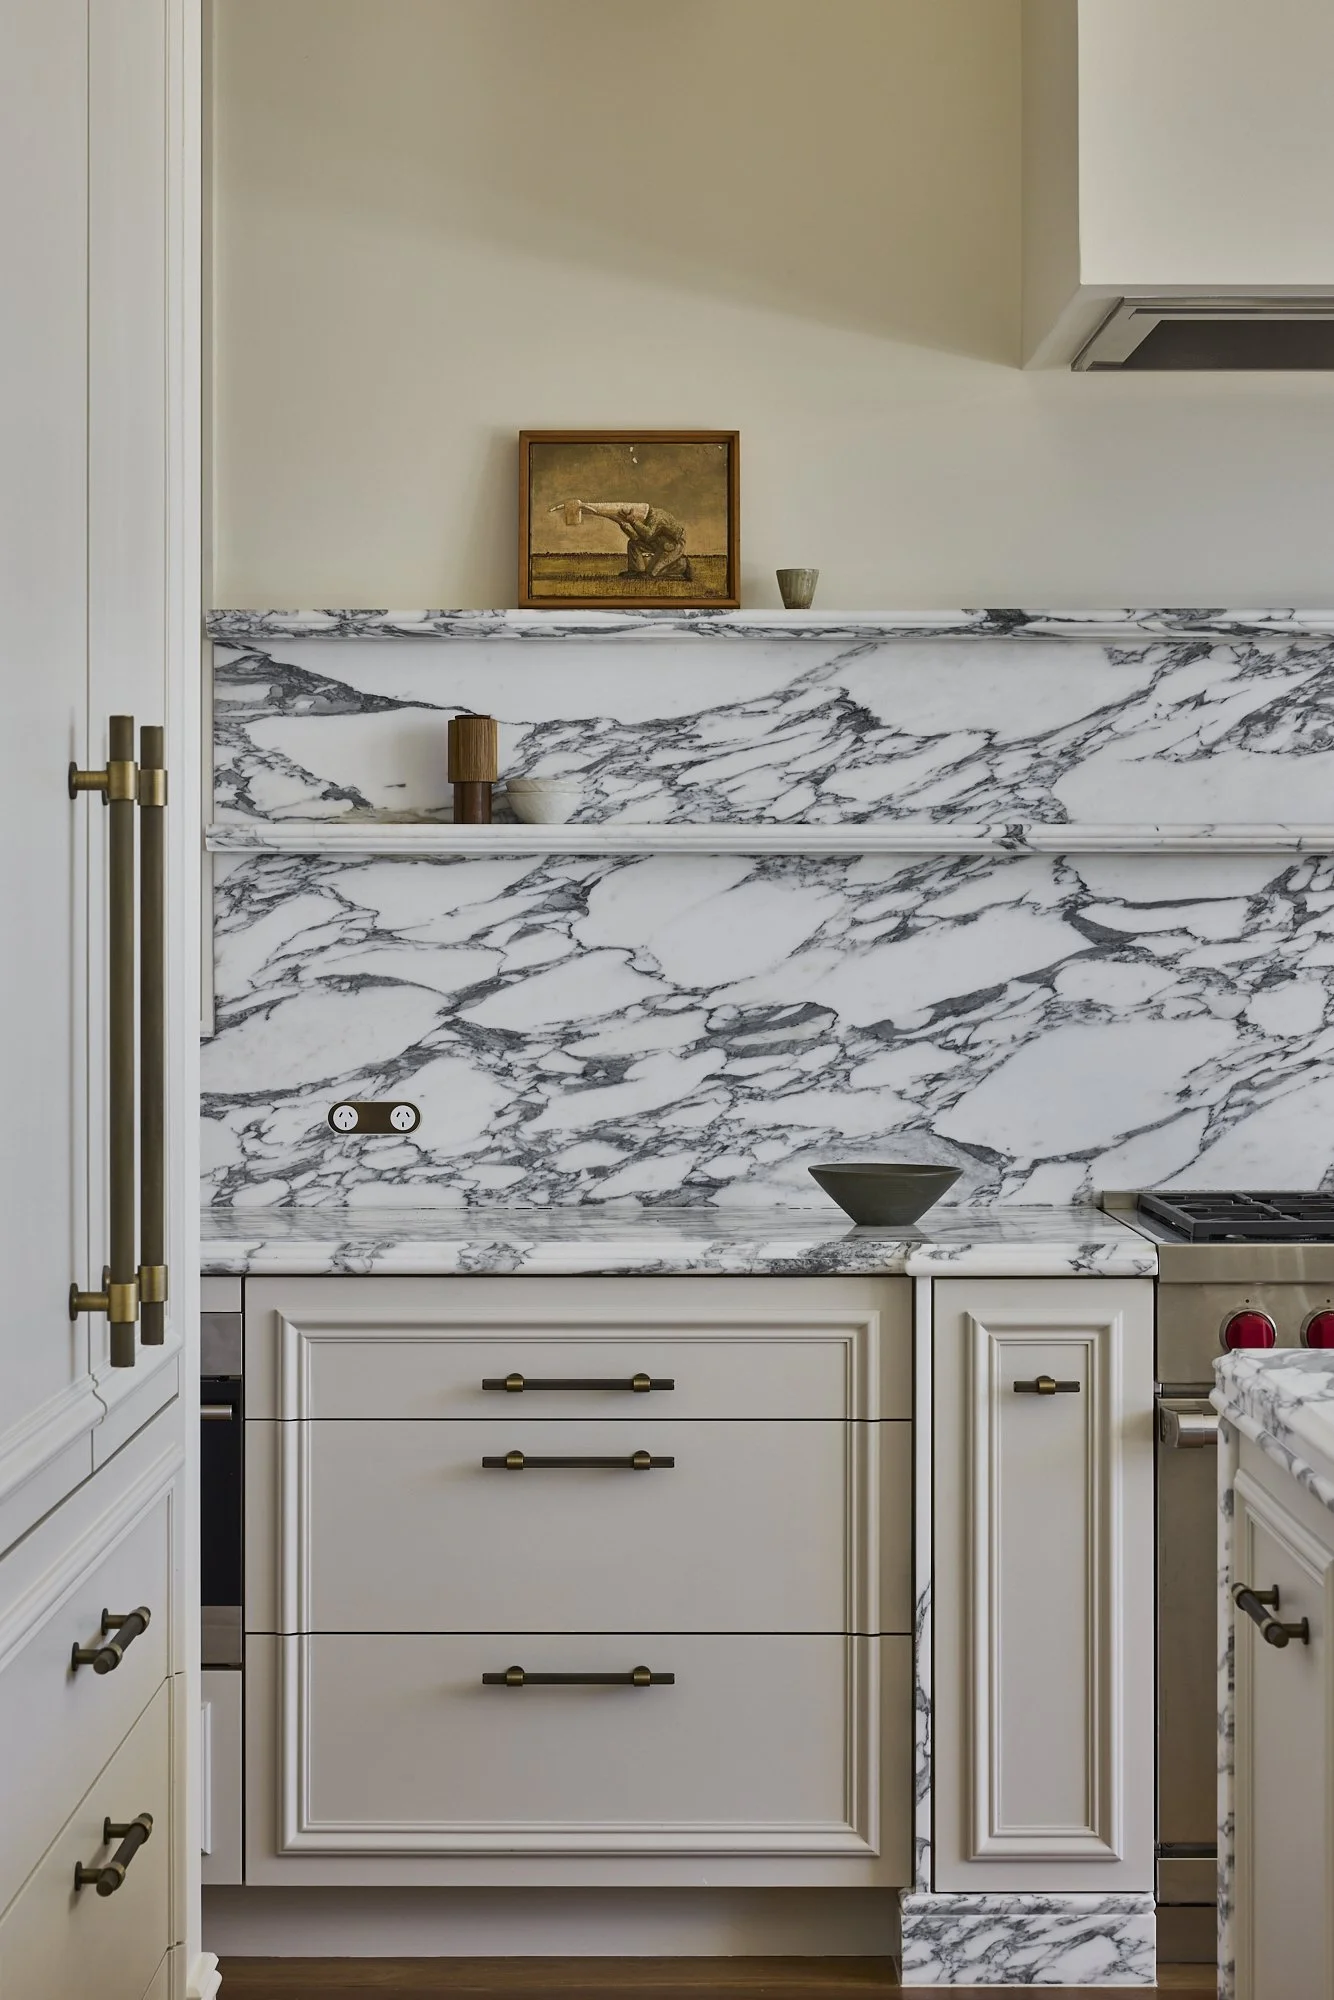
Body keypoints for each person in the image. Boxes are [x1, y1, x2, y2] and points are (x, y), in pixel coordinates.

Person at [552, 500, 693, 582]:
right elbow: (637, 537)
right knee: (633, 544)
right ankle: (636, 570)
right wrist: (620, 521)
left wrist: (631, 520)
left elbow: (648, 535)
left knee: (651, 574)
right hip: (659, 541)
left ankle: (682, 565)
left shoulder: (657, 517)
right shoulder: (645, 519)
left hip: (673, 544)